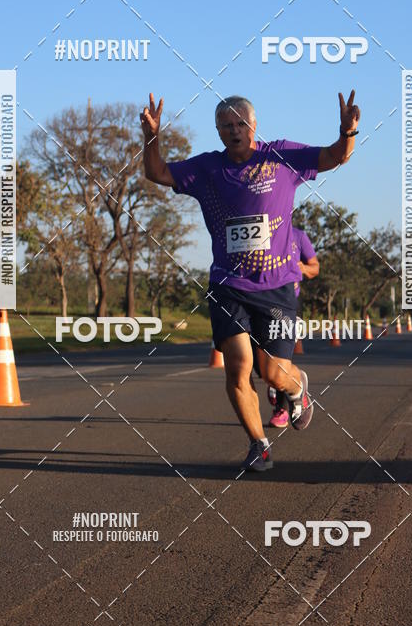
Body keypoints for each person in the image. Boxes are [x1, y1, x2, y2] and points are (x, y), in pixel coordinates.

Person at [140, 90, 360, 472]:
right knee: (239, 367)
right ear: (218, 132)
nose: (233, 130)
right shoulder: (207, 169)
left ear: (253, 125)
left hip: (276, 286)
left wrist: (347, 131)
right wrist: (152, 138)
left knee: (270, 372)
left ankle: (297, 389)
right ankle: (259, 445)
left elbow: (335, 156)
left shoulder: (282, 156)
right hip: (228, 285)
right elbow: (156, 172)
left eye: (239, 123)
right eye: (225, 126)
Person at [267, 226, 319, 428]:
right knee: (260, 360)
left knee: (281, 357)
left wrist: (302, 268)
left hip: (285, 304)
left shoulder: (299, 236)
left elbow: (315, 267)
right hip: (256, 299)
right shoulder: (260, 231)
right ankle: (284, 384)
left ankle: (282, 409)